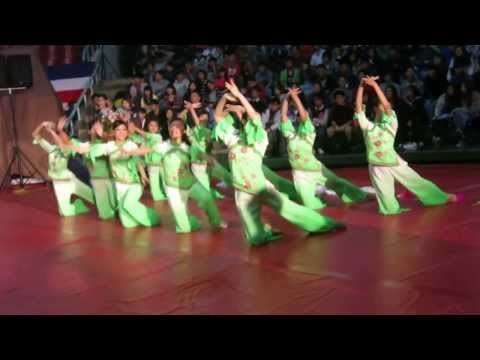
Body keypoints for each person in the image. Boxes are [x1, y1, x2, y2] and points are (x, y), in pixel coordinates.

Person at [213, 80, 344, 246]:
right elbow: (218, 116)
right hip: (243, 191)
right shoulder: (234, 140)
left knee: (289, 208)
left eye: (248, 120)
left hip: (261, 187)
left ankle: (324, 223)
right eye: (244, 120)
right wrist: (225, 97)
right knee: (256, 240)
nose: (247, 122)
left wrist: (239, 96)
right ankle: (264, 232)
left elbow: (254, 117)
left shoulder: (259, 143)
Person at [354, 76, 460, 215]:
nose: (384, 108)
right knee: (388, 205)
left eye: (386, 107)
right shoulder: (368, 127)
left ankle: (441, 197)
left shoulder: (392, 124)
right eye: (379, 107)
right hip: (377, 165)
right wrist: (361, 86)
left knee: (416, 181)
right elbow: (359, 109)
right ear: (375, 111)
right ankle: (387, 205)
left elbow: (386, 106)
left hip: (393, 161)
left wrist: (375, 86)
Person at [280, 88, 371, 210]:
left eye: (303, 117)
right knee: (310, 204)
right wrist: (287, 98)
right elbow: (283, 116)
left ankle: (359, 195)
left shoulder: (309, 133)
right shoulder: (290, 134)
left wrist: (295, 98)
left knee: (337, 183)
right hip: (300, 173)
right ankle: (319, 201)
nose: (301, 117)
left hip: (316, 168)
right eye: (298, 117)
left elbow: (304, 115)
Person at [132, 120, 227, 233]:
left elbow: (202, 154)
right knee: (184, 229)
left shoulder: (188, 147)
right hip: (173, 188)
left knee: (207, 198)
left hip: (190, 183)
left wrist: (209, 159)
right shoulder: (164, 146)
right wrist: (131, 152)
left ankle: (216, 221)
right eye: (172, 127)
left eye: (177, 127)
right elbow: (147, 149)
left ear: (183, 131)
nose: (174, 129)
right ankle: (194, 222)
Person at [74, 121, 160, 228]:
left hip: (133, 184)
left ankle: (152, 218)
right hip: (119, 186)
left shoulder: (131, 144)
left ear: (127, 132)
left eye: (123, 129)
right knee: (127, 224)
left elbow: (138, 158)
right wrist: (79, 148)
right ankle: (141, 217)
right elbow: (92, 149)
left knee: (128, 204)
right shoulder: (109, 146)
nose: (121, 132)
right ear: (114, 132)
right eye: (118, 130)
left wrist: (143, 174)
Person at [32, 120, 95, 217]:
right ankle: (79, 205)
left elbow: (63, 146)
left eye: (63, 135)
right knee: (65, 213)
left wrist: (53, 131)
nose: (61, 137)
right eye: (60, 135)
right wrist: (42, 125)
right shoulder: (51, 148)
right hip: (59, 183)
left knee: (93, 197)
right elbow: (35, 135)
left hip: (70, 180)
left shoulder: (69, 148)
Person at [128, 119, 168, 201]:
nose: (153, 127)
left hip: (161, 163)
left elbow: (147, 135)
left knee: (165, 181)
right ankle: (158, 197)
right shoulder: (144, 140)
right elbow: (140, 150)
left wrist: (135, 128)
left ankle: (169, 196)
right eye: (151, 125)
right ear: (148, 127)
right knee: (154, 184)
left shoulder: (158, 137)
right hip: (151, 164)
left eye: (155, 126)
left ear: (158, 128)